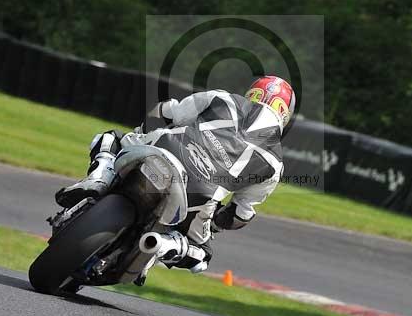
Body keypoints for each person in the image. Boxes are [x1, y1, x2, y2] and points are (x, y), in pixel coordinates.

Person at [54, 75, 295, 275]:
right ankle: (165, 246)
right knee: (202, 255)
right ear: (285, 114)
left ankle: (99, 179)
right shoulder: (274, 163)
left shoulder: (222, 98)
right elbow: (241, 213)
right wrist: (215, 223)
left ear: (253, 93)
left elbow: (168, 111)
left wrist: (141, 132)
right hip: (200, 194)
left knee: (111, 138)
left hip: (162, 149)